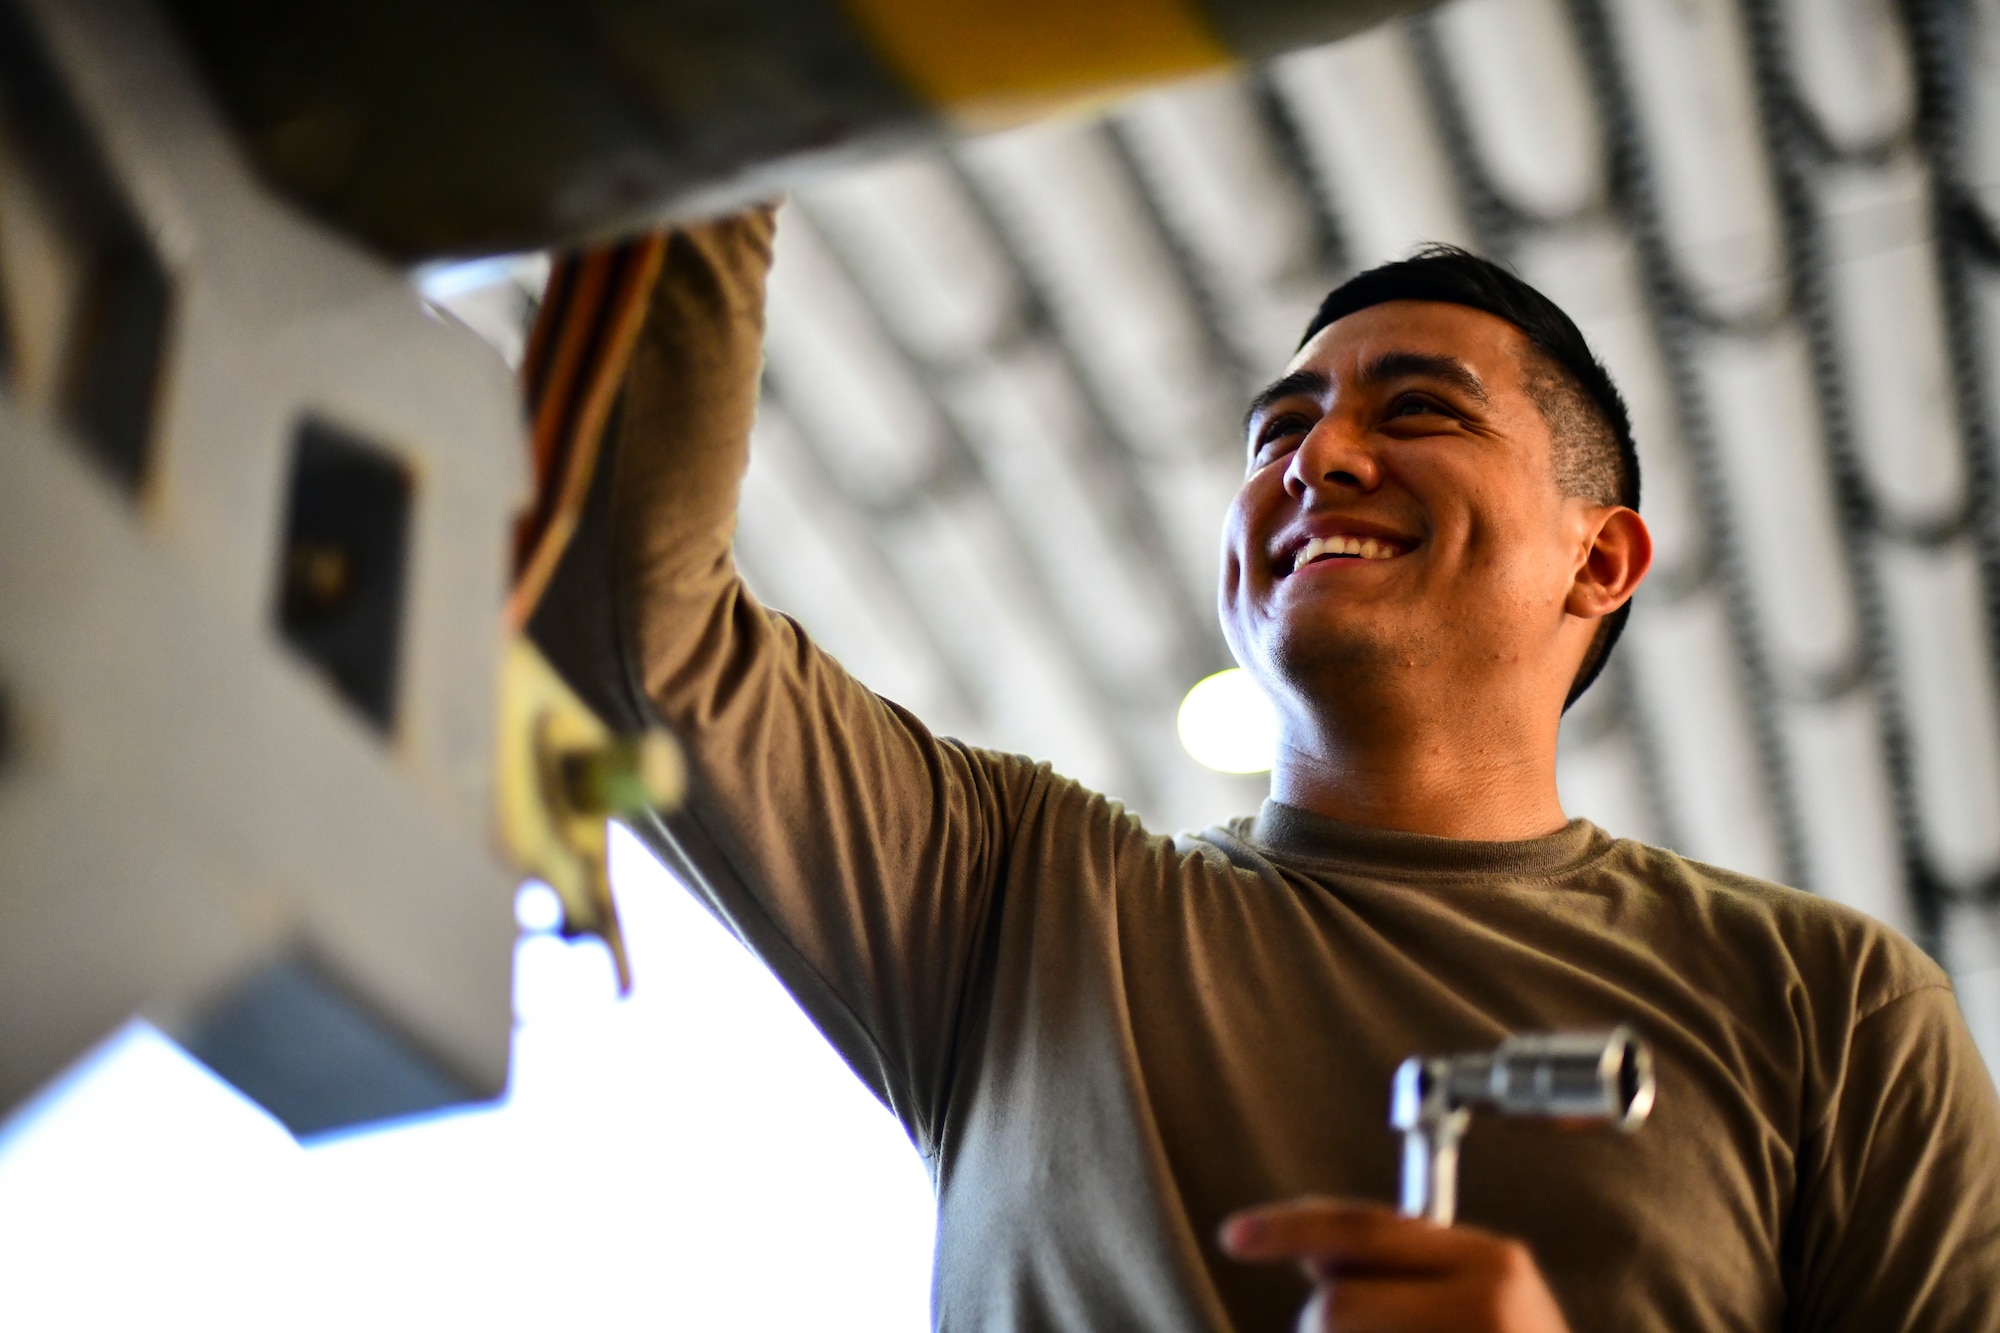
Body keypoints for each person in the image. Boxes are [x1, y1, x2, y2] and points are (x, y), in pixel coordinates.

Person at [537, 205, 2000, 1331]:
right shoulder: (1016, 905)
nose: (1318, 458)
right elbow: (622, 624)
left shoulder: (1831, 1006)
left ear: (1599, 556)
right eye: (1280, 429)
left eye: (1417, 410)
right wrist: (718, 113)